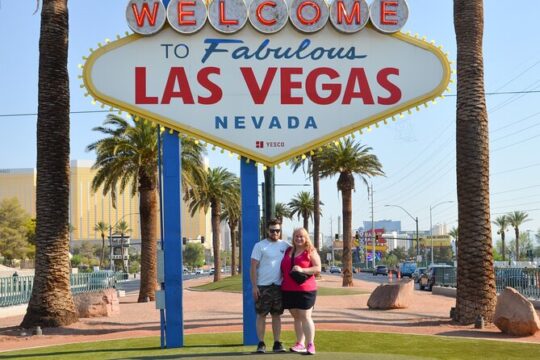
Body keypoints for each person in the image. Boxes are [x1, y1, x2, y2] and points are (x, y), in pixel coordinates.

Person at [250, 218, 290, 353]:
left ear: (280, 231)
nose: (275, 233)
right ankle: (261, 343)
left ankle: (277, 343)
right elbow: (253, 267)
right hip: (263, 286)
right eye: (272, 230)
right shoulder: (260, 246)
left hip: (278, 287)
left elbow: (300, 251)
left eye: (278, 230)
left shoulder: (285, 245)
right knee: (261, 315)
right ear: (268, 230)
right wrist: (254, 286)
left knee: (276, 315)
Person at [280, 227, 321, 355]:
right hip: (288, 289)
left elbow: (318, 268)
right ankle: (300, 343)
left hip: (305, 289)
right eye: (296, 236)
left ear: (306, 238)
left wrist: (303, 270)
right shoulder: (288, 250)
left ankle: (310, 344)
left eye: (301, 236)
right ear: (293, 237)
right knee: (296, 317)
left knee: (306, 316)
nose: (299, 238)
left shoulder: (310, 251)